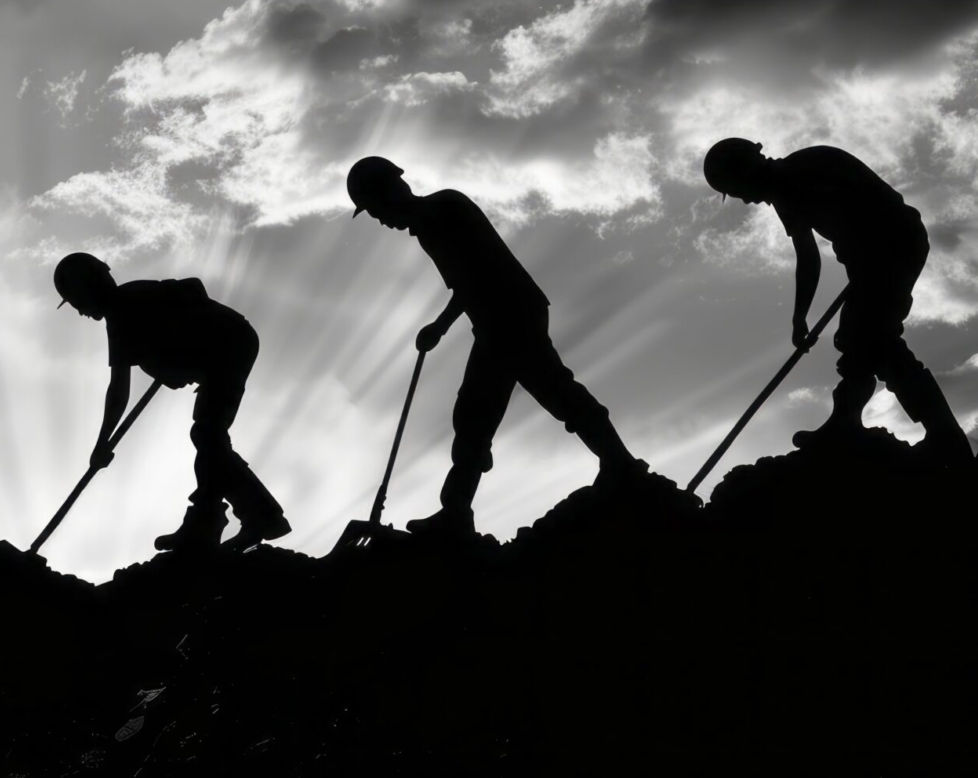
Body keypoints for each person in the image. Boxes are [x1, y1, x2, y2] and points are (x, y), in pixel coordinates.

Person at [346, 156, 647, 536]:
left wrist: (440, 327)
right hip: (496, 320)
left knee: (551, 392)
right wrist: (440, 327)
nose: (380, 221)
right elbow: (465, 286)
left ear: (392, 191)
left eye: (375, 210)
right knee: (477, 415)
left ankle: (621, 466)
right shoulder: (429, 223)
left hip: (511, 314)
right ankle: (456, 511)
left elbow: (476, 274)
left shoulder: (443, 211)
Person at [702, 138, 972, 462]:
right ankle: (849, 423)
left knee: (873, 337)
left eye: (736, 189)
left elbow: (862, 212)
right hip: (877, 254)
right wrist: (800, 316)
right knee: (861, 338)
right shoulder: (785, 189)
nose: (744, 200)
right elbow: (809, 255)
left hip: (893, 245)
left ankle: (944, 437)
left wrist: (861, 259)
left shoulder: (801, 171)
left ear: (746, 170)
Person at [54, 253, 290, 552]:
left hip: (230, 345)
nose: (79, 312)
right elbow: (189, 298)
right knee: (208, 437)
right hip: (229, 345)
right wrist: (180, 361)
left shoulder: (123, 311)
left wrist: (102, 443)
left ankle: (216, 522)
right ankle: (251, 517)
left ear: (87, 289)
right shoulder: (129, 301)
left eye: (75, 302)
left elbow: (118, 391)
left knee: (207, 434)